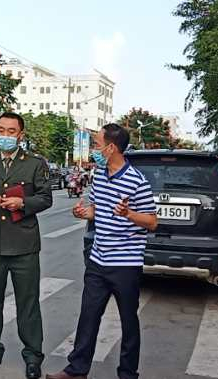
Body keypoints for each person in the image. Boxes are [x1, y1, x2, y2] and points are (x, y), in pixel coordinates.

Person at [47, 123, 157, 379]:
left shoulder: (137, 181)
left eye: (97, 144)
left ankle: (128, 373)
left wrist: (128, 213)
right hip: (98, 258)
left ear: (111, 147)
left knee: (128, 321)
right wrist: (83, 212)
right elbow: (97, 209)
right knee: (88, 316)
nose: (93, 149)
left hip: (125, 263)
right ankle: (77, 370)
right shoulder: (99, 174)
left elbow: (152, 222)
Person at [0, 112, 53, 379]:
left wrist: (23, 204)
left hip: (24, 244)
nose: (4, 135)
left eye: (10, 131)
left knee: (27, 302)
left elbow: (46, 197)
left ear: (20, 135)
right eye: (0, 130)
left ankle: (32, 356)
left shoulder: (34, 164)